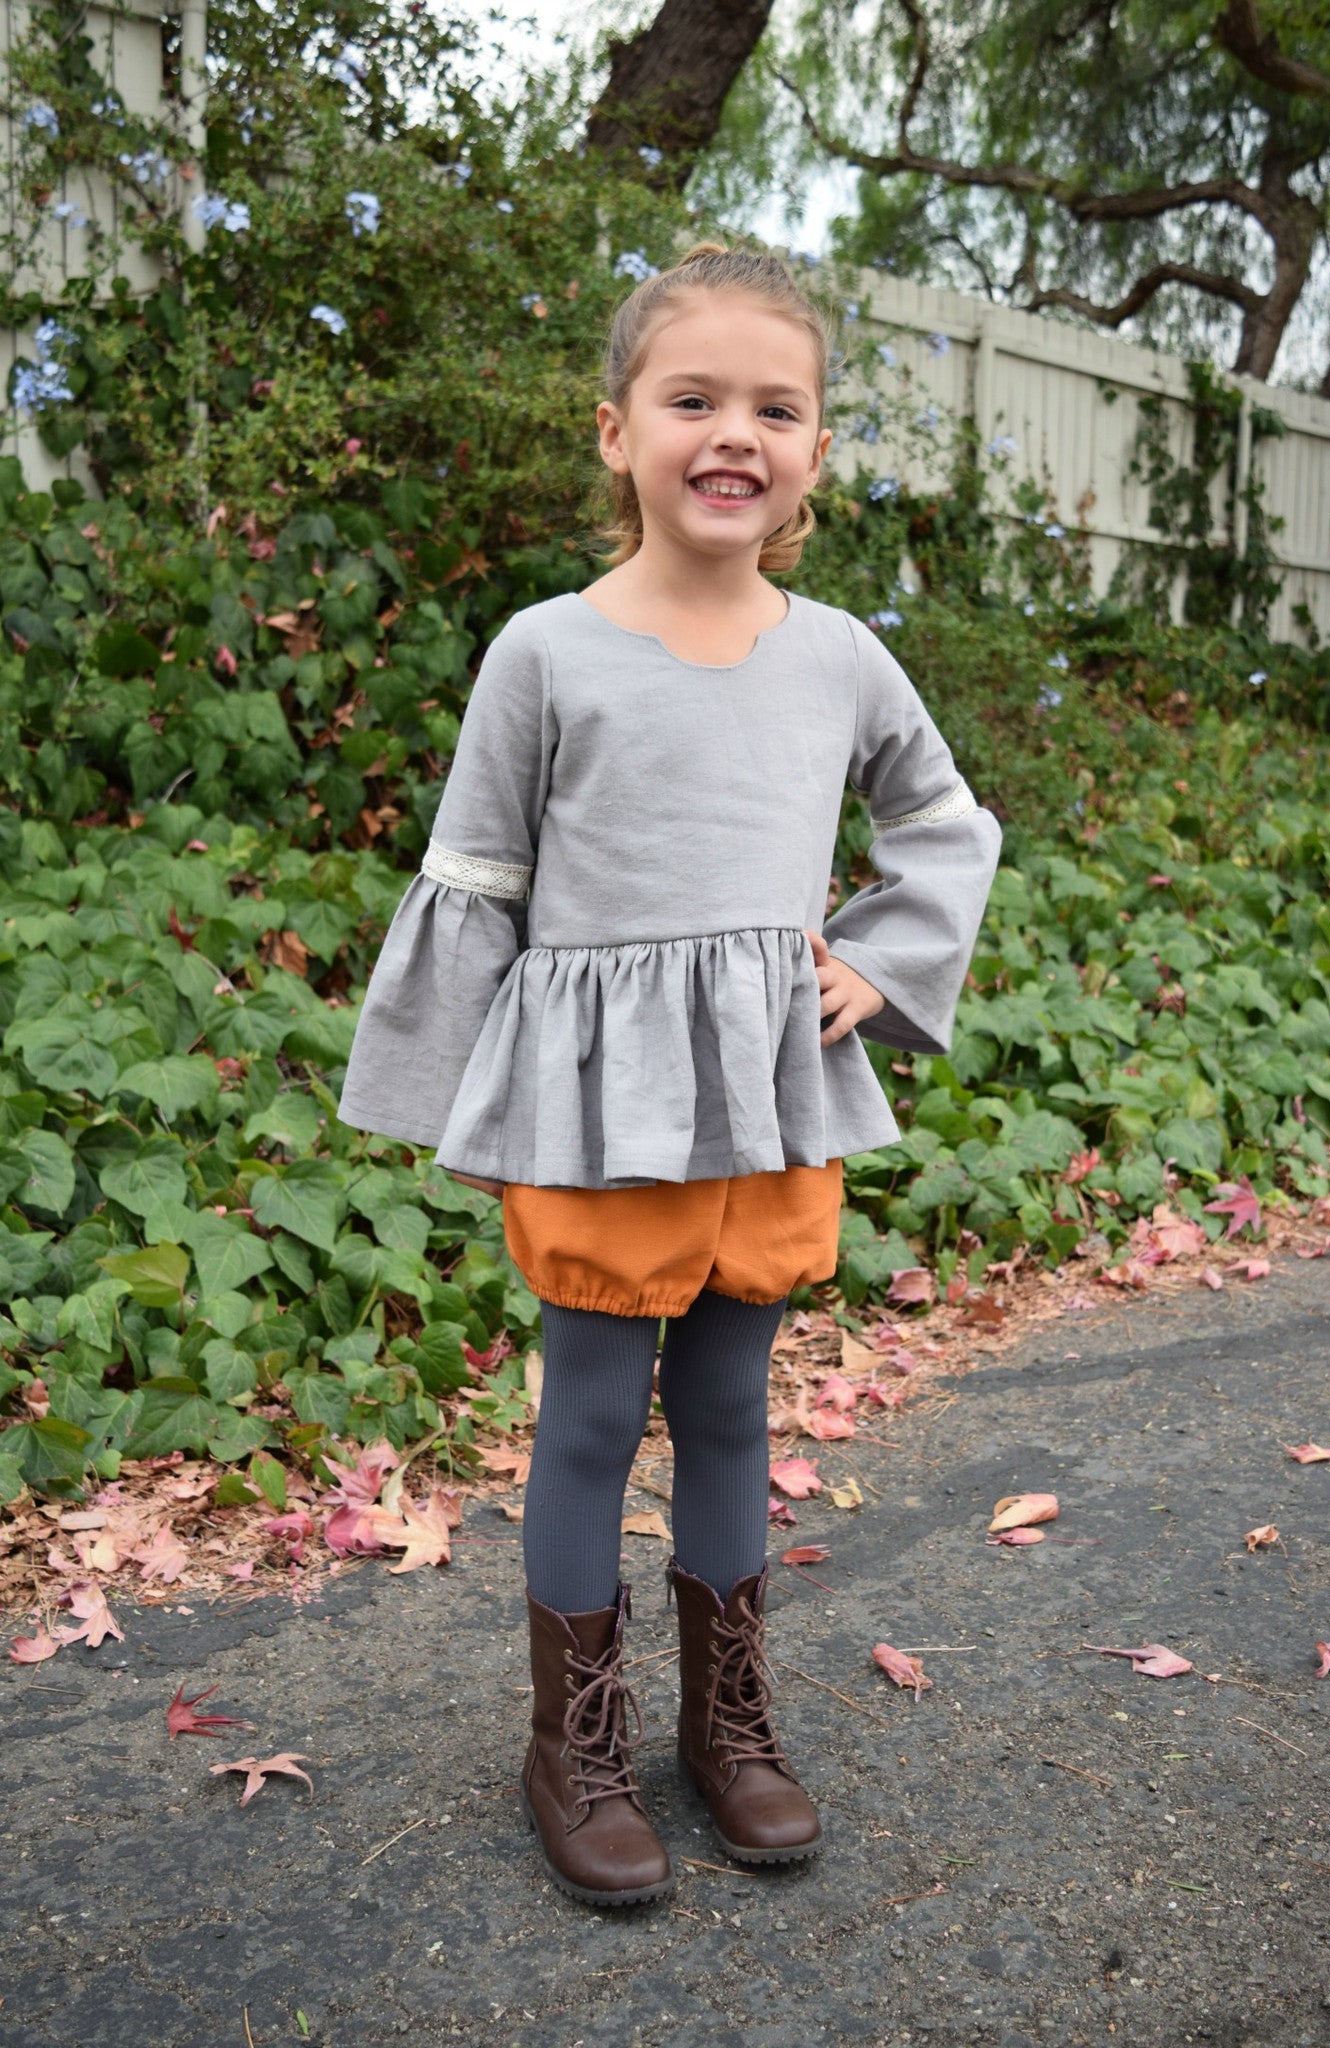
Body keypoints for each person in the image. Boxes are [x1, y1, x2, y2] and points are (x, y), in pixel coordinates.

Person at [337, 239, 1002, 1908]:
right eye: (691, 399)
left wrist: (880, 959)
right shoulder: (545, 652)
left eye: (773, 409)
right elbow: (474, 880)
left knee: (724, 1407)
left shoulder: (838, 654)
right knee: (584, 1420)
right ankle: (572, 1746)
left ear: (815, 453)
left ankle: (727, 1727)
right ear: (615, 431)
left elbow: (940, 820)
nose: (732, 436)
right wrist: (454, 1104)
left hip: (766, 1090)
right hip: (597, 1107)